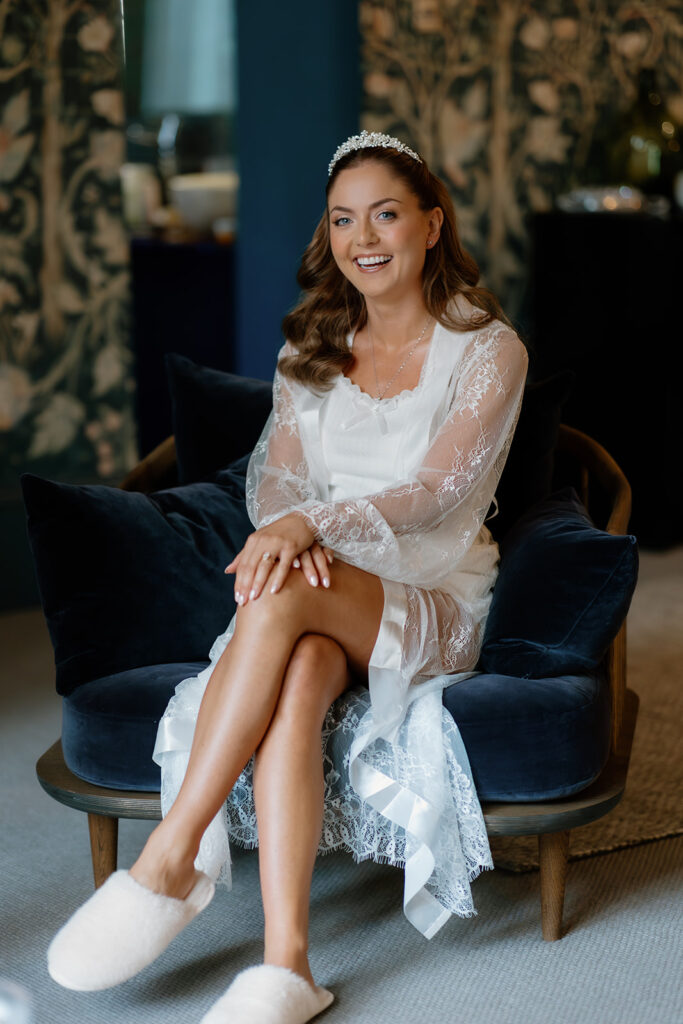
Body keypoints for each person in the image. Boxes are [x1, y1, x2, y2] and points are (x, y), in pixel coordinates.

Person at [47, 131, 529, 1023]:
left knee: (277, 597)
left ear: (431, 223)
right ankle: (286, 967)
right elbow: (276, 483)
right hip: (323, 582)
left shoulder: (486, 348)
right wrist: (294, 526)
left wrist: (311, 527)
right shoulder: (312, 346)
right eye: (343, 219)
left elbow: (436, 493)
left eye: (385, 213)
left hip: (433, 593)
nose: (364, 236)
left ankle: (169, 855)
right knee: (300, 677)